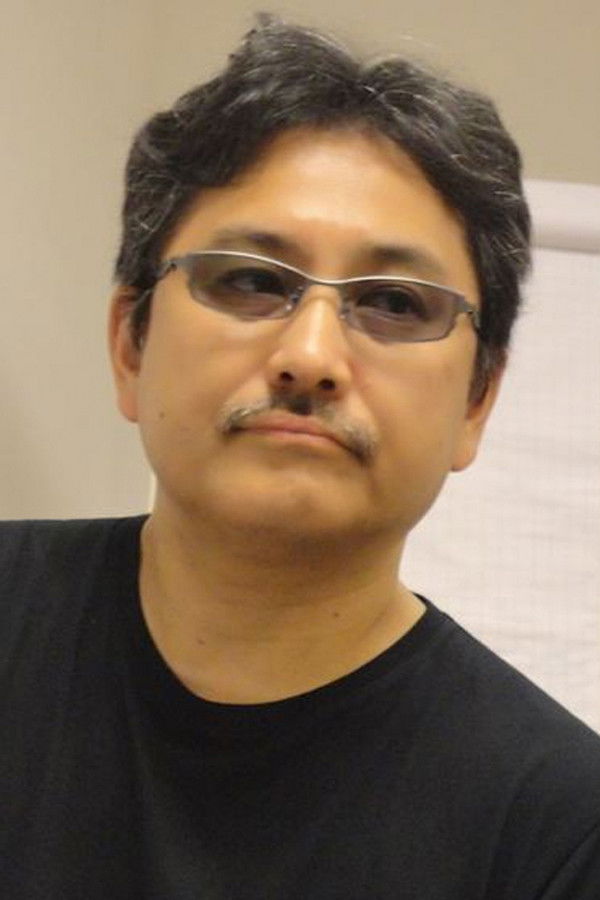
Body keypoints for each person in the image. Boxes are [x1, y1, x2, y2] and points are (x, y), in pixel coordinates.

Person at [1, 15, 599, 899]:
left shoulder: (558, 830)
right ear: (130, 343)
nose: (311, 356)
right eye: (252, 280)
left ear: (477, 402)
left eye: (395, 302)